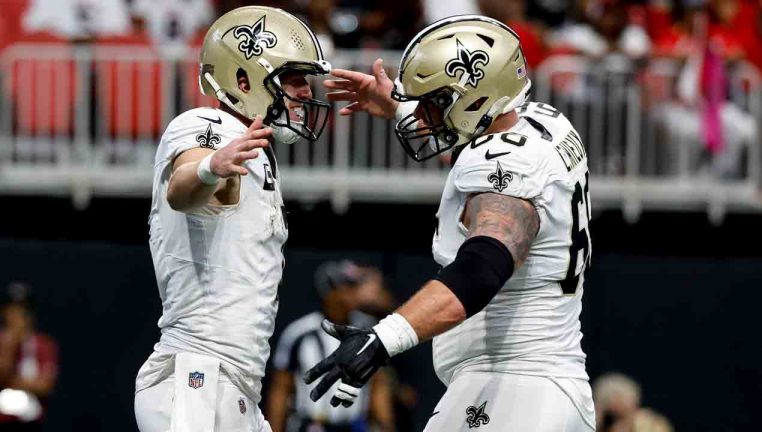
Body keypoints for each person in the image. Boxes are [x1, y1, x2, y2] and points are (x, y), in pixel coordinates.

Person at [305, 15, 596, 431]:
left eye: (434, 102)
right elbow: (476, 141)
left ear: (475, 97)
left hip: (516, 386)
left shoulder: (509, 168)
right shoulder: (542, 121)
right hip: (527, 385)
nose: (424, 114)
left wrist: (383, 340)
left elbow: (483, 266)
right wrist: (400, 107)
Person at [133, 6, 332, 432]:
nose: (303, 91)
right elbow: (184, 188)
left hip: (232, 384)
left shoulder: (255, 149)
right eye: (292, 78)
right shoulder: (208, 123)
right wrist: (210, 169)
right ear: (244, 81)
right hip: (196, 377)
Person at [267, 261, 394, 432]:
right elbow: (281, 389)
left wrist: (385, 424)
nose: (353, 292)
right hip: (311, 426)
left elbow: (379, 384)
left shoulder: (369, 331)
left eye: (354, 286)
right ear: (328, 292)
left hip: (354, 427)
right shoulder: (299, 333)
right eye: (346, 286)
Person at [0, 283, 58, 432]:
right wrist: (11, 345)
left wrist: (12, 383)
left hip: (31, 423)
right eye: (13, 310)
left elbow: (45, 386)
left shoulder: (44, 344)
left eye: (24, 311)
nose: (18, 316)